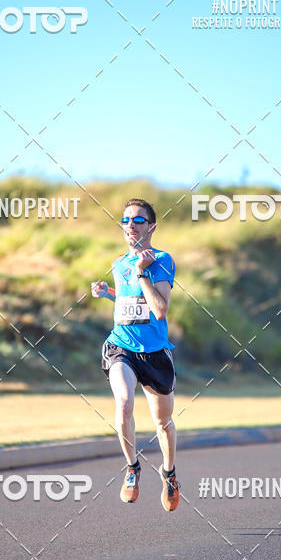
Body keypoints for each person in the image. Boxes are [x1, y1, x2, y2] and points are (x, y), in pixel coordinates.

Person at [91, 199, 180, 512]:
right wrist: (108, 295)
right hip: (121, 347)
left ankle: (169, 474)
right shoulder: (118, 263)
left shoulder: (162, 260)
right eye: (125, 220)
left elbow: (159, 309)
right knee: (124, 402)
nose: (130, 225)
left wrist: (142, 273)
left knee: (163, 422)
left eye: (138, 220)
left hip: (155, 353)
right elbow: (128, 306)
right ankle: (132, 469)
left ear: (151, 226)